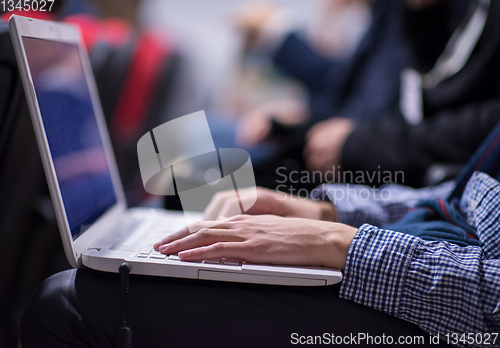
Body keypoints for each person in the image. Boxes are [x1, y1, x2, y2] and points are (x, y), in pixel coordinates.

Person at [20, 120, 500, 347]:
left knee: (66, 303)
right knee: (178, 165)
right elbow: (459, 194)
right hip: (416, 237)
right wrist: (323, 213)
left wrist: (341, 244)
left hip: (443, 308)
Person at [238, 0, 500, 188]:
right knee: (216, 153)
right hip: (382, 157)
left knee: (217, 158)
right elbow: (353, 90)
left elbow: (384, 108)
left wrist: (278, 34)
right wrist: (302, 116)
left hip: (387, 168)